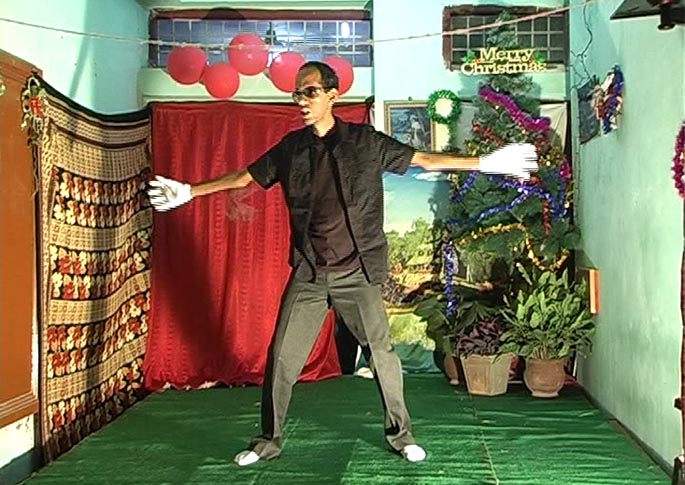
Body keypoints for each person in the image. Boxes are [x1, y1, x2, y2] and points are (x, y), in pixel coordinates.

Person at [147, 61, 538, 467]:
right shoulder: (290, 149)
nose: (302, 100)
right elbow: (246, 177)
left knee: (382, 355)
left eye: (310, 92)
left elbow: (422, 159)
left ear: (332, 95)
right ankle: (268, 441)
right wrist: (190, 191)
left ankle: (401, 436)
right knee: (282, 358)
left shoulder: (365, 142)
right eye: (297, 93)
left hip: (357, 273)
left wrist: (486, 163)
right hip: (310, 275)